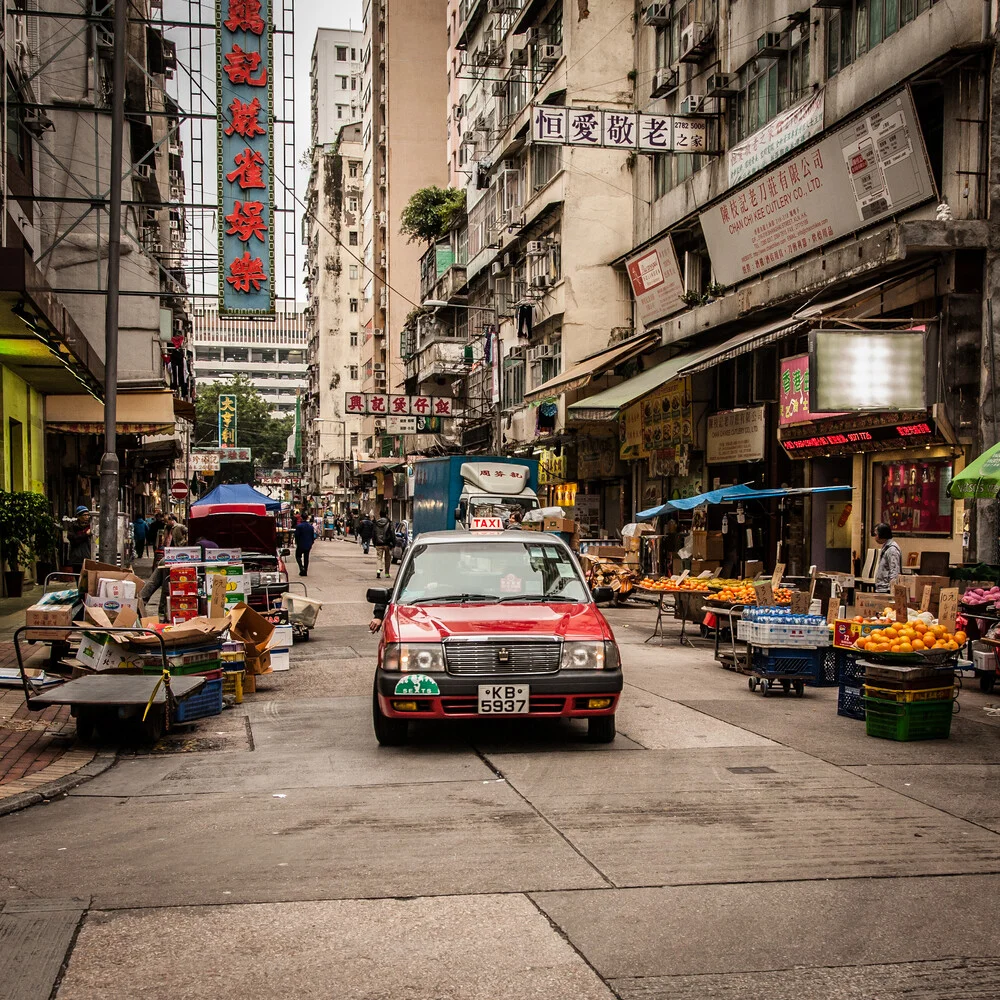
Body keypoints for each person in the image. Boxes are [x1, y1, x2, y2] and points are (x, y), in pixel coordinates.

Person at [873, 522, 903, 594]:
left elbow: (894, 570)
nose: (875, 537)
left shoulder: (892, 549)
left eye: (876, 534)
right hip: (882, 587)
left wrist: (892, 589)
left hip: (886, 589)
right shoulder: (886, 547)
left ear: (882, 534)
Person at [67, 506, 92, 574]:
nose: (87, 517)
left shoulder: (91, 527)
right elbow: (74, 540)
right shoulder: (73, 527)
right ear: (79, 516)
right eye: (84, 515)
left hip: (88, 557)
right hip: (77, 559)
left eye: (88, 515)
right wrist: (86, 534)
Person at [373, 508, 396, 580]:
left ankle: (378, 570)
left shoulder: (376, 523)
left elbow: (374, 533)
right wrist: (393, 543)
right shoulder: (389, 522)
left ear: (380, 515)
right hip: (387, 543)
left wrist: (374, 542)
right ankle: (387, 573)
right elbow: (392, 533)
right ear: (386, 515)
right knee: (387, 558)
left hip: (378, 543)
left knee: (379, 557)